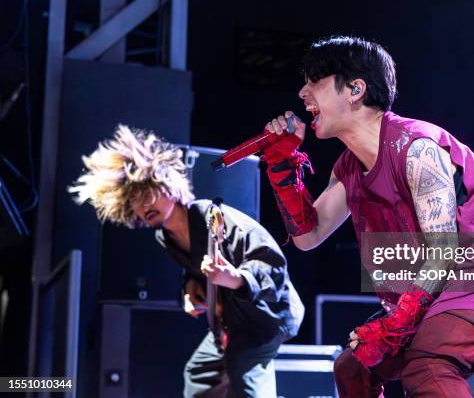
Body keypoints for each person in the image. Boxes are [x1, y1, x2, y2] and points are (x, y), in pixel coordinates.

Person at [262, 36, 474, 397]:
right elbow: (308, 237)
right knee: (352, 369)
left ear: (355, 89)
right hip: (446, 278)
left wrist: (395, 324)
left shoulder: (418, 149)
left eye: (314, 82)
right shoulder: (348, 167)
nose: (303, 93)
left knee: (430, 366)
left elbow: (443, 252)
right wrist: (284, 172)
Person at [69, 125, 304, 398]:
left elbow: (272, 268)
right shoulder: (164, 237)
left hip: (265, 316)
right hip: (230, 319)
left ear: (166, 183)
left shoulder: (213, 217)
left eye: (146, 193)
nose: (143, 207)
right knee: (199, 375)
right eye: (134, 202)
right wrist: (191, 291)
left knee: (243, 369)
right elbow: (193, 271)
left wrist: (234, 278)